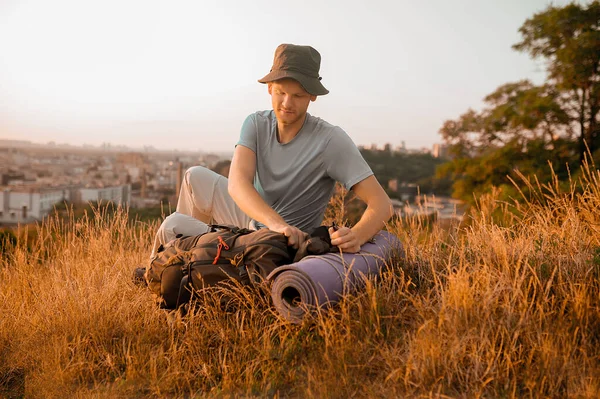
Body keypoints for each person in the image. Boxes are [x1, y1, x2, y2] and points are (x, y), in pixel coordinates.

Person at [149, 43, 392, 260]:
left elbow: (382, 204)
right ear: (269, 89)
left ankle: (173, 264)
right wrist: (275, 222)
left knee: (173, 224)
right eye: (281, 92)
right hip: (261, 221)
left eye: (298, 95)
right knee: (194, 176)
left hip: (278, 243)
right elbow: (237, 184)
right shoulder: (256, 123)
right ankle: (185, 263)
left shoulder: (330, 140)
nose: (287, 103)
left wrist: (357, 236)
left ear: (313, 96)